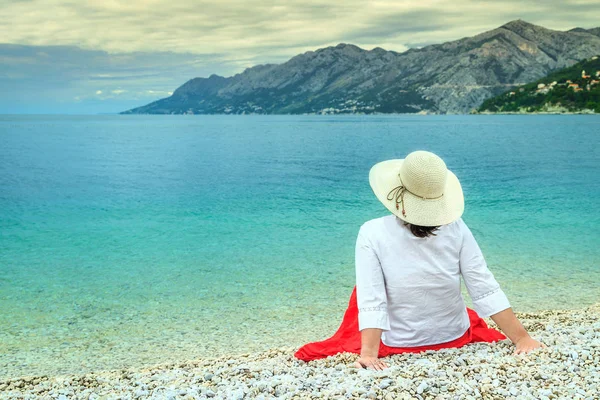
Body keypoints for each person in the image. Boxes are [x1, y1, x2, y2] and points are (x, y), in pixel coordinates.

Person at [294, 150, 545, 370]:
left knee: (363, 289)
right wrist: (522, 338)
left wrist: (369, 354)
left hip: (400, 341)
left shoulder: (371, 231)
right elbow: (482, 285)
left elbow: (373, 297)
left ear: (397, 191)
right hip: (452, 335)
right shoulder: (456, 227)